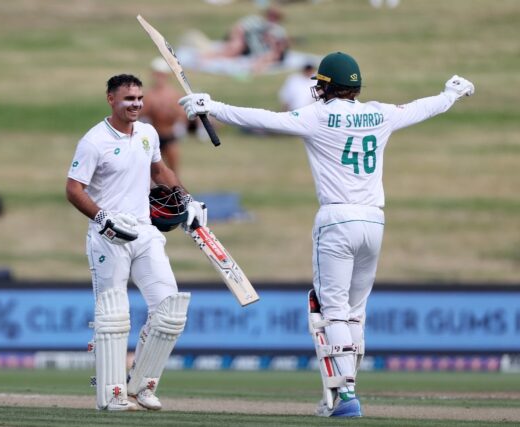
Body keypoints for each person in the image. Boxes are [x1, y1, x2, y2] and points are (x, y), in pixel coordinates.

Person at [178, 52, 474, 417]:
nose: (316, 88)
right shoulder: (380, 113)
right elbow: (421, 108)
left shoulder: (319, 115)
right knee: (354, 314)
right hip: (374, 221)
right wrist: (450, 94)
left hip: (336, 219)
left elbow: (268, 120)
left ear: (329, 86)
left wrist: (214, 106)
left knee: (331, 312)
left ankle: (346, 396)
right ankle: (342, 394)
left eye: (320, 83)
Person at [66, 74, 207, 411]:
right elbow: (73, 189)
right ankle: (111, 395)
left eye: (139, 98)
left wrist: (187, 199)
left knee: (169, 309)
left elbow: (160, 172)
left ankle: (140, 385)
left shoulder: (147, 133)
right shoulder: (94, 140)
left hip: (144, 230)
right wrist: (101, 217)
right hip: (109, 235)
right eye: (128, 98)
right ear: (111, 99)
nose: (136, 104)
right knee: (114, 317)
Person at [204, 6, 290, 73]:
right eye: (271, 15)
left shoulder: (279, 30)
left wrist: (271, 41)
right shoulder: (256, 21)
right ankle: (207, 58)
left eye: (275, 16)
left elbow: (281, 47)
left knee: (272, 55)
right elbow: (237, 29)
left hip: (264, 53)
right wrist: (238, 39)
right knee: (236, 45)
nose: (272, 18)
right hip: (247, 48)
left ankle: (253, 68)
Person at [140, 58, 189, 174]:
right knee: (153, 171)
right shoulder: (149, 95)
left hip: (170, 135)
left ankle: (175, 191)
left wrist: (176, 119)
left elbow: (182, 114)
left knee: (173, 170)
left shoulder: (173, 94)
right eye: (157, 74)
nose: (159, 78)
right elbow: (140, 114)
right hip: (155, 137)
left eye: (161, 75)